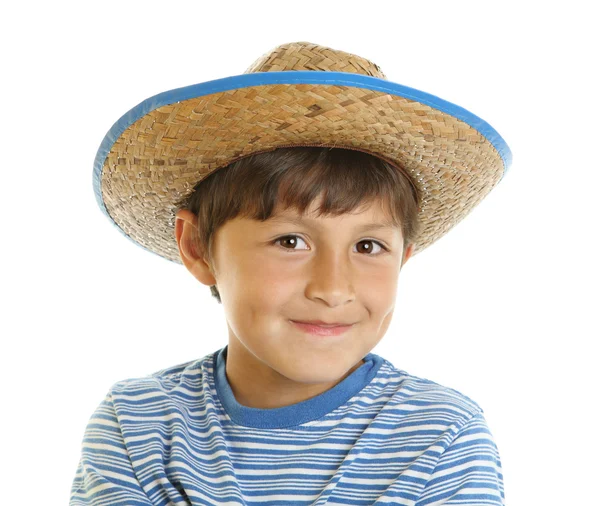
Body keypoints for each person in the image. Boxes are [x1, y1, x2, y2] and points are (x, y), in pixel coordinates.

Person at [71, 41, 511, 505]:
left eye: (368, 246)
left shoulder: (441, 435)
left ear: (403, 258)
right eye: (290, 242)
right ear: (198, 247)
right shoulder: (139, 425)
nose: (333, 288)